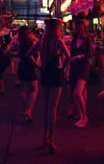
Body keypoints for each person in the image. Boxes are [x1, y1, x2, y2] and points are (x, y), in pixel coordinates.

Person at [27, 18, 70, 153]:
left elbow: (28, 54)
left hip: (44, 72)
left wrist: (38, 67)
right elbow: (68, 56)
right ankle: (51, 140)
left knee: (45, 108)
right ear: (57, 28)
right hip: (55, 73)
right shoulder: (58, 41)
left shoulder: (41, 41)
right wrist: (62, 67)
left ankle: (44, 137)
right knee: (53, 109)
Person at [4, 26, 39, 122]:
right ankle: (29, 110)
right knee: (34, 89)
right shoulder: (32, 43)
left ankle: (25, 110)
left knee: (24, 90)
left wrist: (16, 54)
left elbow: (6, 52)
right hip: (30, 67)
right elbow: (39, 47)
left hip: (21, 67)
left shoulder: (18, 44)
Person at [68, 13, 94, 129]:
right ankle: (81, 116)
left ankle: (85, 116)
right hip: (75, 67)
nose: (75, 29)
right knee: (81, 92)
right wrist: (68, 68)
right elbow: (71, 55)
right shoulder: (74, 41)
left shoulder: (87, 40)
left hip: (83, 67)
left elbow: (90, 54)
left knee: (77, 92)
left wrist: (78, 57)